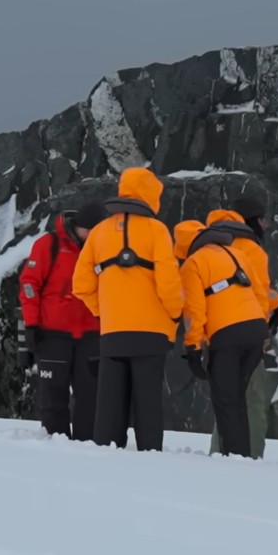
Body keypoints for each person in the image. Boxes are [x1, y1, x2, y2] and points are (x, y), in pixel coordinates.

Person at [71, 167, 184, 452]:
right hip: (152, 332)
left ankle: (107, 457)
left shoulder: (99, 232)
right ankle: (149, 457)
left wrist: (104, 312)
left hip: (112, 333)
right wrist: (174, 313)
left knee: (109, 405)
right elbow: (168, 282)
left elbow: (81, 285)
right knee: (147, 405)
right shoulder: (157, 230)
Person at [181, 206, 277, 458]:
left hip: (226, 335)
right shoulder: (236, 254)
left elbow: (194, 312)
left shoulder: (193, 264)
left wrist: (193, 348)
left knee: (225, 401)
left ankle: (233, 459)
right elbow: (260, 293)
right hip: (255, 331)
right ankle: (243, 455)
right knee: (239, 399)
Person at [17, 201, 108, 440]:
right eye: (91, 231)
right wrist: (31, 325)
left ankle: (87, 446)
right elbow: (29, 286)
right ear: (80, 226)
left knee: (90, 397)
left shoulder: (101, 250)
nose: (94, 237)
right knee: (53, 396)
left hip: (91, 335)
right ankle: (55, 447)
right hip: (53, 335)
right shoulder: (49, 245)